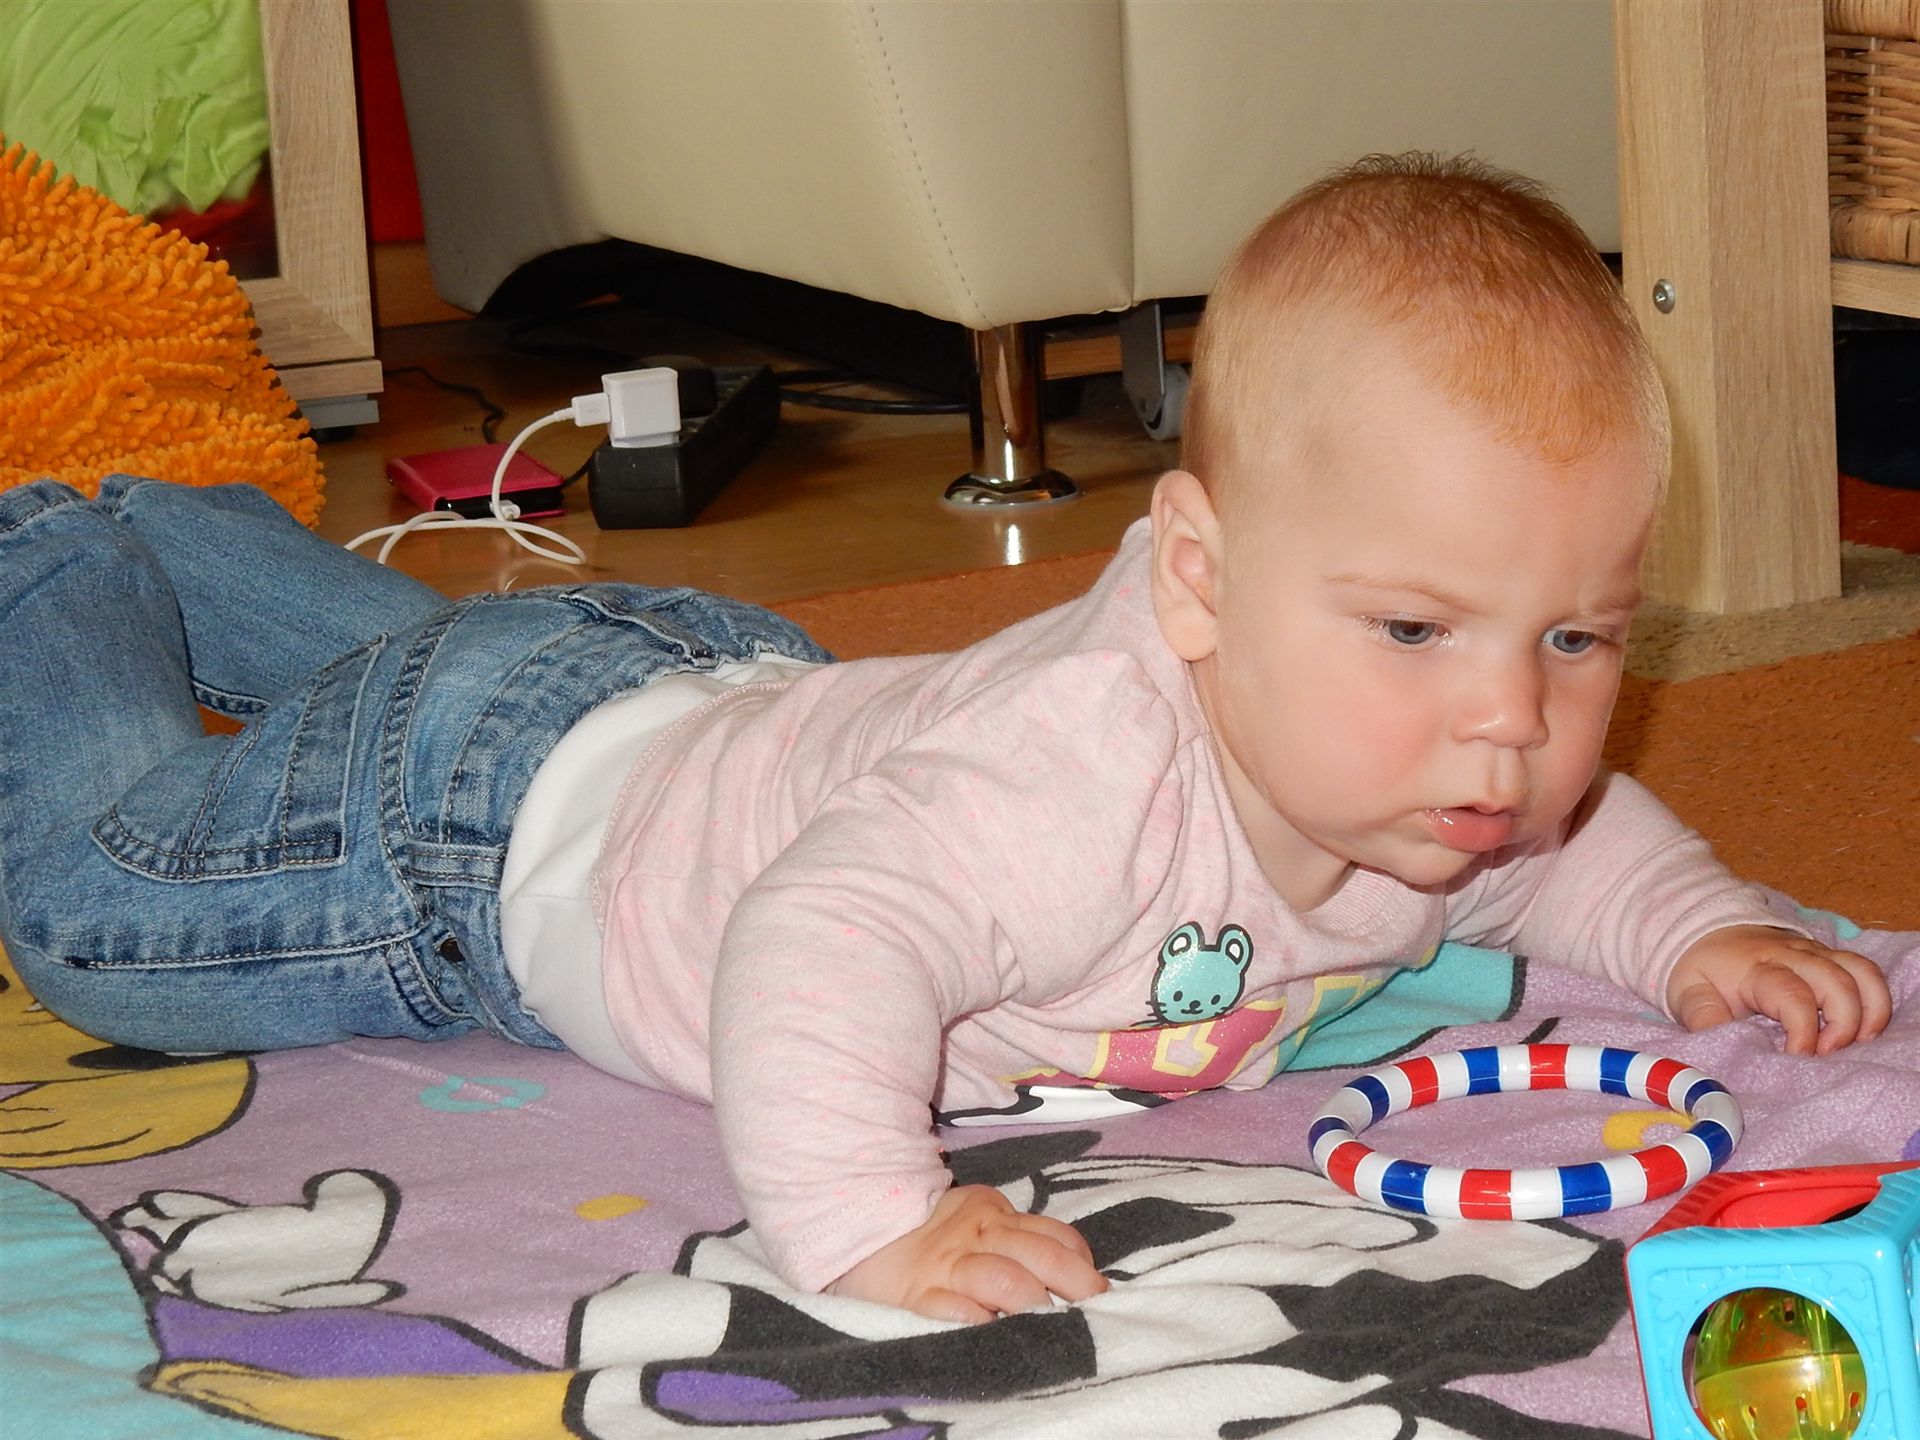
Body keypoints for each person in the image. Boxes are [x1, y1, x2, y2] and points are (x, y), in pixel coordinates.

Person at [0, 154, 1891, 1326]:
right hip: (485, 850)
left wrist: (1696, 931)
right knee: (101, 917)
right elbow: (816, 939)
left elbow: (1576, 839)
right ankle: (51, 550)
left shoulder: (1434, 772)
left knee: (442, 668)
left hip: (680, 684)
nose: (1510, 723)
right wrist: (872, 1224)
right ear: (1198, 579)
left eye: (1576, 637)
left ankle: (174, 533)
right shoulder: (1074, 787)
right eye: (1415, 629)